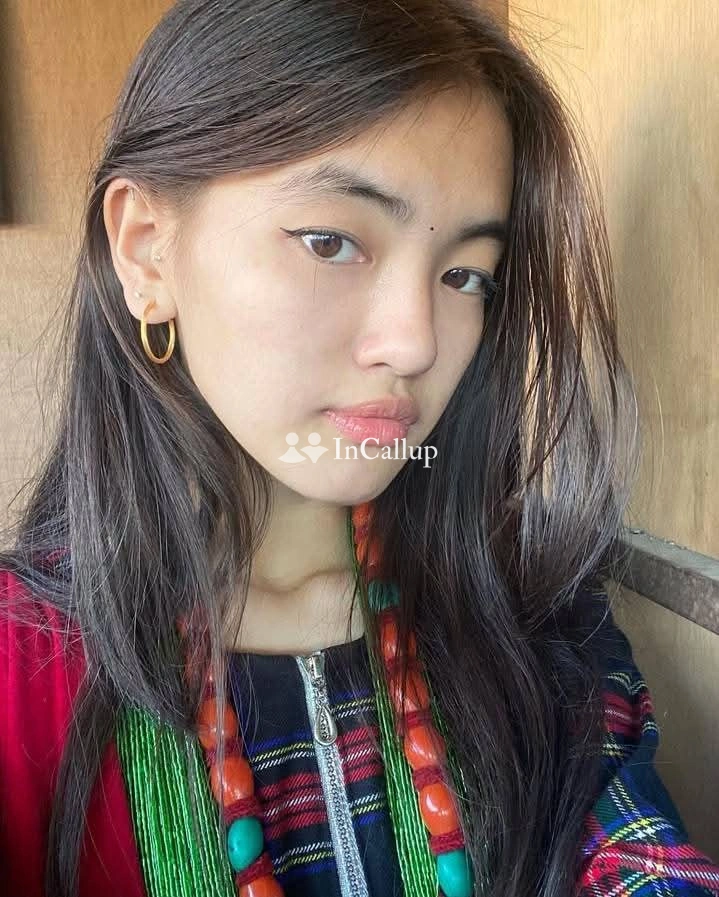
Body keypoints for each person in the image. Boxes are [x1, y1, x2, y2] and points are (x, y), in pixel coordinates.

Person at [1, 2, 718, 896]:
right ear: (146, 252)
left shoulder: (528, 603)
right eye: (331, 241)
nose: (416, 341)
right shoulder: (19, 673)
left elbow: (639, 859)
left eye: (465, 275)